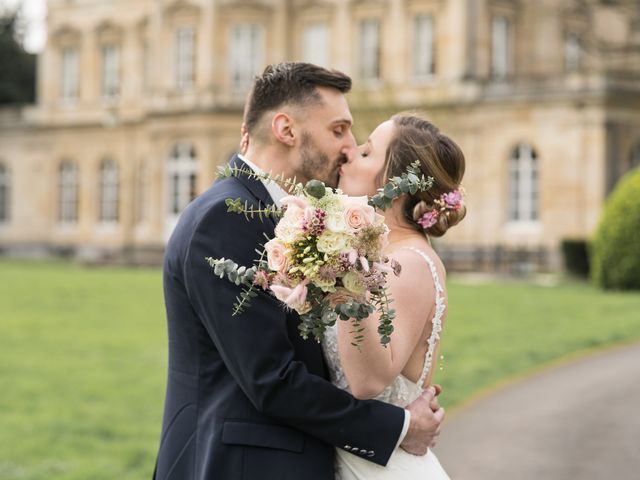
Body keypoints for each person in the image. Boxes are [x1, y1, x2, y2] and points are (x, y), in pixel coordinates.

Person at [153, 63, 444, 480]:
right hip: (240, 466)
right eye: (339, 129)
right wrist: (398, 427)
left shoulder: (292, 218)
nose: (349, 147)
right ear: (287, 130)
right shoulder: (225, 218)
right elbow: (271, 379)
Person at [322, 114, 467, 479]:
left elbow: (367, 383)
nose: (349, 154)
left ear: (395, 186)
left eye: (367, 153)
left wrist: (342, 269)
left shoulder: (409, 263)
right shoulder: (378, 257)